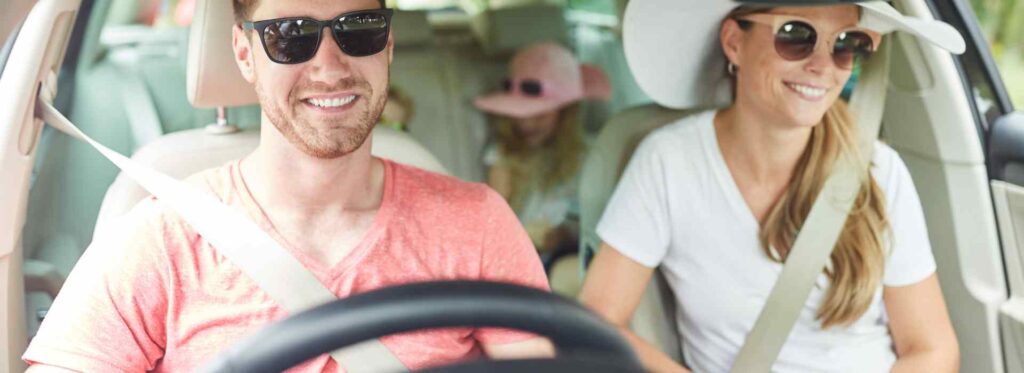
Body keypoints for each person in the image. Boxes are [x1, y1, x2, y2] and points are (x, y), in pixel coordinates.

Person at [23, 0, 552, 371]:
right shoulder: (159, 239)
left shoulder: (476, 223)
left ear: (387, 45)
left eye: (358, 29)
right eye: (290, 36)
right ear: (245, 53)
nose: (329, 66)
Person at [578, 1, 964, 372]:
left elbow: (931, 348)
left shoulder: (878, 171)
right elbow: (598, 317)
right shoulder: (669, 162)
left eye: (847, 44)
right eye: (797, 36)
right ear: (734, 42)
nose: (822, 66)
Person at [475, 42, 610, 266]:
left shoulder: (590, 156)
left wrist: (562, 235)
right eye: (519, 114)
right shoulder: (504, 154)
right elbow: (494, 217)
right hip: (521, 255)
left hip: (576, 251)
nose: (527, 123)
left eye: (539, 116)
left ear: (566, 114)